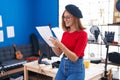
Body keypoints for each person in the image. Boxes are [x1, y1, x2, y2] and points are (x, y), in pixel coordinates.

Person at [49, 4, 88, 80]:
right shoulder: (65, 33)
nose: (65, 19)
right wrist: (51, 44)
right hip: (62, 65)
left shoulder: (83, 34)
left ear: (75, 18)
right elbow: (59, 53)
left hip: (76, 69)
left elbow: (74, 58)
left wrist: (60, 44)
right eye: (64, 17)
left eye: (68, 17)